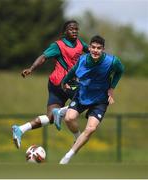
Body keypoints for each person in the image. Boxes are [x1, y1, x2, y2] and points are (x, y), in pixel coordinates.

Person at [12, 20, 89, 149]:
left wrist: (105, 59)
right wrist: (31, 68)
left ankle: (20, 129)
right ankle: (77, 137)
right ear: (65, 32)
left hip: (55, 84)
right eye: (71, 29)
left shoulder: (81, 44)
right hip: (63, 82)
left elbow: (93, 51)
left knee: (50, 118)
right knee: (85, 98)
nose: (74, 31)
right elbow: (43, 57)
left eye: (76, 29)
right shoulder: (58, 45)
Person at [59, 35, 124, 164]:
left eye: (99, 48)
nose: (95, 50)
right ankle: (77, 137)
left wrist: (112, 88)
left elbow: (120, 71)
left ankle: (67, 156)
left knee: (91, 129)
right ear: (89, 48)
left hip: (100, 100)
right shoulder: (82, 60)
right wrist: (64, 81)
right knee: (69, 118)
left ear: (103, 49)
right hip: (82, 94)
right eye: (93, 47)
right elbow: (73, 71)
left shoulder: (112, 61)